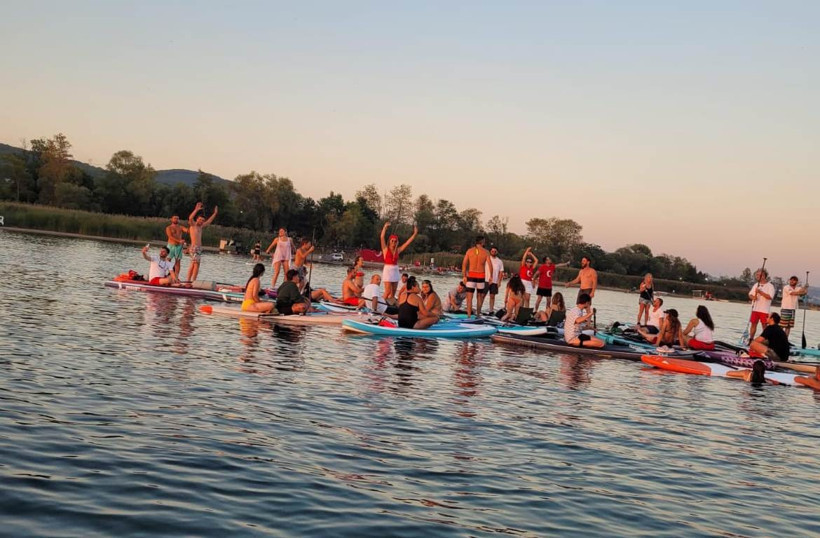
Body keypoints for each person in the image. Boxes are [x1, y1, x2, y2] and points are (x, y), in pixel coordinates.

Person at [380, 222, 418, 302]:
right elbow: (382, 237)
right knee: (387, 291)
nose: (393, 242)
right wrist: (385, 227)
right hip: (388, 269)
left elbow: (407, 243)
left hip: (395, 270)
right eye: (392, 241)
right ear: (390, 241)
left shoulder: (398, 250)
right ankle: (380, 303)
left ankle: (390, 304)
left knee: (393, 292)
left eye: (395, 241)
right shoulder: (386, 249)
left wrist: (414, 234)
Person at [186, 202, 218, 282]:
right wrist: (196, 210)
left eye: (203, 220)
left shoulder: (201, 227)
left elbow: (209, 221)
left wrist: (215, 213)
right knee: (195, 264)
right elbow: (190, 218)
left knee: (195, 265)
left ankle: (192, 280)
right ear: (197, 219)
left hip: (199, 248)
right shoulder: (193, 225)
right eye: (200, 219)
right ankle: (191, 280)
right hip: (194, 247)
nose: (201, 221)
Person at [461, 236, 491, 317]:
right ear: (482, 242)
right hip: (481, 275)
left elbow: (464, 264)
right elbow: (490, 265)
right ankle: (478, 314)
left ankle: (469, 315)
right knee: (479, 296)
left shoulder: (470, 251)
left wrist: (464, 276)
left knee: (469, 297)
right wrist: (490, 277)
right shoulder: (486, 252)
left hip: (471, 275)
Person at [747, 268, 775, 342]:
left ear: (764, 276)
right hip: (755, 309)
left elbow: (770, 297)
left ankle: (766, 340)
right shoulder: (756, 285)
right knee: (753, 324)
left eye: (759, 275)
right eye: (757, 275)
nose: (757, 276)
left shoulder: (770, 286)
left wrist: (760, 292)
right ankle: (751, 339)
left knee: (764, 325)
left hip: (764, 310)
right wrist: (753, 297)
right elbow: (750, 294)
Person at [486, 246, 505, 314]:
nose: (493, 252)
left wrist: (499, 281)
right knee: (482, 295)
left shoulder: (499, 261)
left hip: (494, 281)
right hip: (486, 280)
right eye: (492, 251)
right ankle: (479, 309)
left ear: (497, 252)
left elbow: (501, 272)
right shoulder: (487, 259)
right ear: (490, 251)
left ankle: (491, 310)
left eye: (495, 251)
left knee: (492, 296)